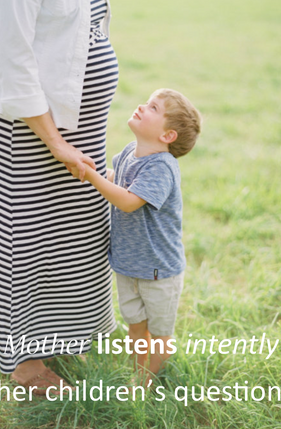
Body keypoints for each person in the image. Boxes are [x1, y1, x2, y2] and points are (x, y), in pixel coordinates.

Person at [0, 0, 148, 396]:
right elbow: (15, 59)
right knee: (24, 242)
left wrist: (75, 136)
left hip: (77, 131)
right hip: (27, 130)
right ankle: (23, 363)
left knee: (77, 239)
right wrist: (56, 142)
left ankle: (63, 338)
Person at [81, 88, 202, 386]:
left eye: (153, 108)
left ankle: (147, 380)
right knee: (135, 325)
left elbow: (128, 201)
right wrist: (95, 170)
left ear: (167, 136)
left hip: (159, 271)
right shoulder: (128, 154)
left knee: (160, 333)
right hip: (128, 265)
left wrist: (91, 178)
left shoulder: (161, 167)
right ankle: (139, 373)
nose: (141, 107)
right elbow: (117, 182)